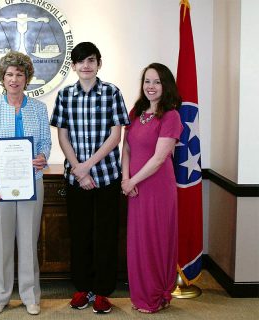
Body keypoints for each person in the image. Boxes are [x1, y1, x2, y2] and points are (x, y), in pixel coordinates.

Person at [50, 42, 130, 314]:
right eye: (81, 61)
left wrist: (87, 166)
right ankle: (83, 288)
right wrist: (78, 169)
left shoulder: (111, 93)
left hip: (106, 177)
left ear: (99, 64)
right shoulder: (65, 95)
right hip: (76, 180)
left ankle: (104, 292)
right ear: (73, 66)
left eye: (91, 60)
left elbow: (115, 135)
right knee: (80, 234)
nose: (86, 65)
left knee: (106, 235)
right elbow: (62, 135)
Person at [0, 51, 51, 316]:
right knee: (3, 242)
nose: (14, 79)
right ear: (2, 78)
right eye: (9, 74)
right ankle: (1, 296)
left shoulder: (40, 108)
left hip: (32, 183)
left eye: (20, 74)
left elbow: (45, 144)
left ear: (27, 78)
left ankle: (31, 296)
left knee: (29, 242)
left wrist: (42, 157)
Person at [121, 63, 183, 313]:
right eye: (147, 81)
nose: (151, 86)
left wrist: (133, 181)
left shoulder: (171, 115)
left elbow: (159, 158)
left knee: (155, 239)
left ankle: (156, 295)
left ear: (166, 85)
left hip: (157, 188)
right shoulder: (136, 111)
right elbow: (126, 148)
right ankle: (141, 295)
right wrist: (126, 179)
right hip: (134, 187)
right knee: (138, 241)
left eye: (156, 81)